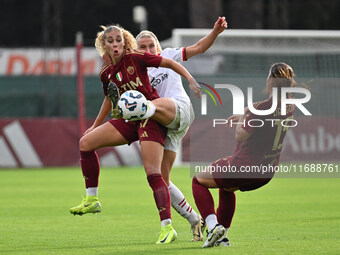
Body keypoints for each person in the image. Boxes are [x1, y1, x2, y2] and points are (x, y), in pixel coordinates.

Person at [69, 24, 201, 245]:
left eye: (118, 39)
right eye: (110, 40)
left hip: (151, 118)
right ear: (104, 44)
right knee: (86, 142)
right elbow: (110, 99)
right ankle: (92, 199)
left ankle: (167, 227)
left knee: (153, 173)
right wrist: (95, 125)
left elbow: (169, 62)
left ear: (124, 41)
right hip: (130, 120)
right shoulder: (105, 72)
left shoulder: (137, 57)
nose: (115, 43)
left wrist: (190, 79)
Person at [132, 17, 228, 242]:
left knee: (145, 107)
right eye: (143, 47)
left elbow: (198, 48)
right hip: (167, 125)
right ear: (137, 50)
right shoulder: (136, 70)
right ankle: (195, 219)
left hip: (180, 110)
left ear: (158, 46)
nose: (148, 50)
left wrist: (215, 32)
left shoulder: (168, 56)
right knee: (160, 179)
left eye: (151, 45)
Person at [191, 62, 296, 248]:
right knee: (227, 188)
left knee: (198, 181)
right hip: (266, 171)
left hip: (244, 166)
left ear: (270, 80)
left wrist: (245, 116)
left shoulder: (261, 108)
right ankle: (222, 237)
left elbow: (241, 136)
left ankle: (213, 226)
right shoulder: (290, 106)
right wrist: (246, 113)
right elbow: (266, 119)